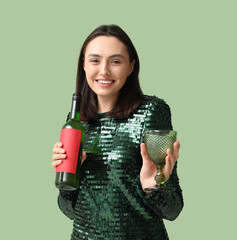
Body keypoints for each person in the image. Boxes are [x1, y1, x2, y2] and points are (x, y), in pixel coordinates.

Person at [52, 24, 183, 240]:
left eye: (115, 61)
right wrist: (67, 181)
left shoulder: (152, 111)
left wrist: (154, 186)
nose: (104, 70)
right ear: (83, 65)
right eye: (95, 60)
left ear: (131, 67)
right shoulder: (75, 121)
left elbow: (173, 210)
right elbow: (70, 211)